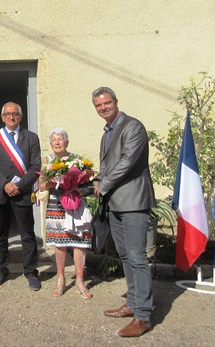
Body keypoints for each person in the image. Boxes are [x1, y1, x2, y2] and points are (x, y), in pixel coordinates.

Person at [92, 87, 155, 337]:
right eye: (98, 105)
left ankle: (143, 317)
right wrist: (94, 181)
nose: (103, 108)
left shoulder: (133, 127)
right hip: (115, 203)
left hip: (133, 202)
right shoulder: (107, 131)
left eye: (106, 103)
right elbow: (108, 166)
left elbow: (127, 161)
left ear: (116, 102)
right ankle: (133, 303)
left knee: (138, 257)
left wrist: (103, 185)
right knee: (126, 256)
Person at [0, 101, 42, 291]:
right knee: (0, 234)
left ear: (20, 116)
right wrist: (5, 184)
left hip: (22, 192)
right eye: (7, 114)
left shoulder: (31, 138)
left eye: (15, 113)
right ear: (2, 117)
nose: (11, 116)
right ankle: (1, 269)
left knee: (27, 234)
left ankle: (31, 272)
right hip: (0, 193)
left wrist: (19, 185)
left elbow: (36, 167)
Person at [38, 128, 93, 298]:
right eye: (53, 139)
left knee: (79, 242)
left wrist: (74, 185)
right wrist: (54, 182)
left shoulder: (77, 160)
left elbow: (87, 182)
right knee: (59, 243)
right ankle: (60, 278)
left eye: (60, 139)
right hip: (56, 205)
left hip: (76, 204)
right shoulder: (47, 160)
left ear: (66, 142)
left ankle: (79, 280)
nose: (57, 142)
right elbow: (41, 184)